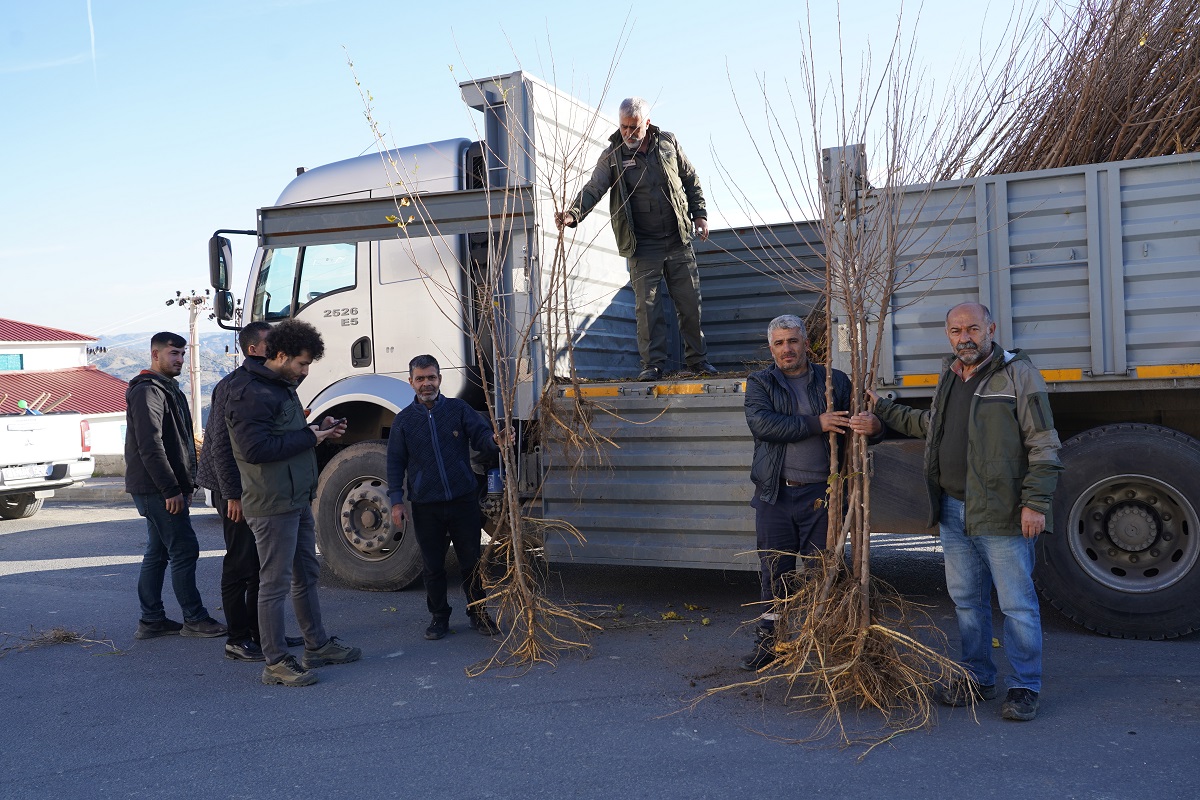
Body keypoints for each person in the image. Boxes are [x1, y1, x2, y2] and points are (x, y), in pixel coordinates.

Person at [849, 302, 1062, 721]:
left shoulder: (1018, 374)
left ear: (991, 329)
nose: (964, 337)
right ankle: (977, 677)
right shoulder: (950, 374)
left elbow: (1044, 444)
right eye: (955, 330)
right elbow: (934, 426)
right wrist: (885, 413)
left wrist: (1035, 504)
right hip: (952, 508)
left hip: (1001, 511)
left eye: (973, 329)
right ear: (947, 335)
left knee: (1017, 604)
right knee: (967, 601)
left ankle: (1024, 687)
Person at [225, 319, 361, 686]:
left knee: (307, 575)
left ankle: (316, 645)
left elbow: (285, 433)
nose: (304, 371)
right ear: (281, 355)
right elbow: (255, 450)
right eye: (302, 364)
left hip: (295, 497)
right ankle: (275, 662)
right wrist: (310, 439)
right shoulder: (249, 391)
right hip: (271, 503)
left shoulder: (279, 385)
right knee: (274, 584)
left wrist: (319, 428)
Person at [555, 96, 717, 382]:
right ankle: (653, 365)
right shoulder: (612, 155)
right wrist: (572, 214)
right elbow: (594, 188)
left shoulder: (668, 143)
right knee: (648, 310)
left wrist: (700, 214)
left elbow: (690, 179)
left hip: (679, 240)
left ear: (647, 123)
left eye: (634, 127)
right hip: (643, 246)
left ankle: (698, 362)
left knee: (690, 304)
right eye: (624, 126)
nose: (628, 133)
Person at [740, 314, 856, 670]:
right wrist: (816, 423)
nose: (786, 349)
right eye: (779, 343)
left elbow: (855, 426)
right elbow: (762, 424)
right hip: (776, 494)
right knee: (775, 571)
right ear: (771, 348)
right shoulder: (760, 382)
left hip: (822, 495)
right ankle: (771, 643)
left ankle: (829, 642)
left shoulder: (833, 380)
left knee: (826, 570)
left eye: (792, 341)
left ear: (807, 343)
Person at [197, 322, 303, 662]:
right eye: (273, 343)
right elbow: (219, 446)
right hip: (239, 491)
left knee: (261, 567)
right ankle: (237, 638)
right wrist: (233, 495)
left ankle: (264, 633)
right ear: (255, 349)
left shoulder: (271, 382)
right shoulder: (235, 387)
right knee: (240, 565)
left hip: (257, 490)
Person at [386, 354, 502, 641]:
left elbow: (482, 439)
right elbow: (394, 464)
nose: (427, 383)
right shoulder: (403, 422)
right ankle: (439, 617)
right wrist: (396, 501)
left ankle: (479, 613)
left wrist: (496, 441)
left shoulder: (458, 410)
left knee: (471, 563)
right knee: (433, 566)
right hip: (426, 505)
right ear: (411, 382)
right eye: (421, 378)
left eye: (432, 377)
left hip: (463, 500)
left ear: (440, 379)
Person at [125, 331, 227, 640]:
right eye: (174, 354)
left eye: (182, 354)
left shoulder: (168, 389)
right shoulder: (147, 392)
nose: (180, 359)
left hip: (164, 487)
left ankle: (152, 620)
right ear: (155, 355)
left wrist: (185, 483)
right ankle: (194, 619)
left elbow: (179, 441)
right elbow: (150, 446)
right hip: (156, 489)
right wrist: (171, 490)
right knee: (184, 549)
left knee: (157, 553)